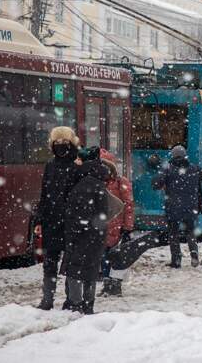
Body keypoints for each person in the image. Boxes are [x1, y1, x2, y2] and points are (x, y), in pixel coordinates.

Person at [35, 127, 80, 311]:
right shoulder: (51, 166)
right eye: (57, 143)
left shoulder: (77, 166)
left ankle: (66, 299)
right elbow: (44, 195)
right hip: (54, 221)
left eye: (64, 143)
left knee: (66, 262)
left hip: (67, 222)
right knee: (53, 262)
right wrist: (39, 219)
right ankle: (50, 299)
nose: (61, 146)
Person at [60, 147, 110, 314]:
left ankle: (75, 304)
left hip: (81, 234)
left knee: (75, 269)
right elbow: (103, 212)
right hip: (97, 234)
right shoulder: (100, 184)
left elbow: (75, 213)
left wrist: (73, 232)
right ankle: (89, 305)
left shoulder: (81, 184)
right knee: (91, 270)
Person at [152, 145, 202, 268]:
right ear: (185, 155)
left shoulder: (168, 168)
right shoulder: (194, 168)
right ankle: (194, 256)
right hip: (190, 207)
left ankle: (176, 259)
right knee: (190, 232)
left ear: (173, 155)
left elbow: (156, 183)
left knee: (173, 233)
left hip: (173, 207)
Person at [99, 149, 134, 296]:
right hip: (102, 225)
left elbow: (128, 205)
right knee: (104, 256)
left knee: (115, 256)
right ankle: (108, 283)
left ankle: (114, 284)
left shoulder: (120, 182)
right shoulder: (100, 181)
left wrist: (127, 227)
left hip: (115, 227)